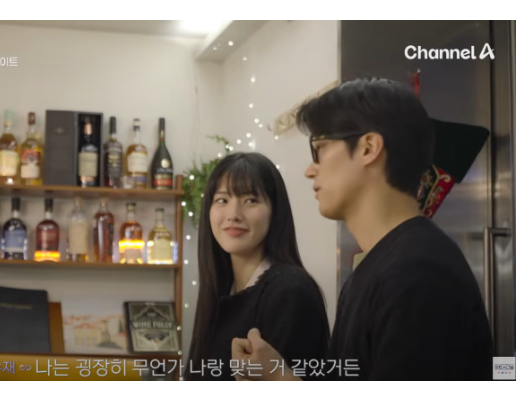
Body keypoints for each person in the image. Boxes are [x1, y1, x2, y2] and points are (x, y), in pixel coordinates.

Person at [231, 78, 493, 380]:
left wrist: (279, 381)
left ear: (368, 148)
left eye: (320, 149)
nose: (310, 170)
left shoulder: (419, 273)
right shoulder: (377, 267)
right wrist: (278, 376)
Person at [184, 152, 330, 381]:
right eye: (222, 200)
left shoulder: (290, 291)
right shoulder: (220, 291)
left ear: (275, 212)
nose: (233, 215)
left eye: (251, 200)